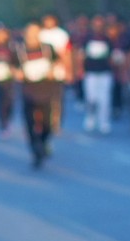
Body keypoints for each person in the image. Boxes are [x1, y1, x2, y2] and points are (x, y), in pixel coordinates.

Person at [18, 22, 68, 169]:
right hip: (29, 91)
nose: (32, 36)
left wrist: (53, 70)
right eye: (29, 32)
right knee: (30, 123)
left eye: (35, 32)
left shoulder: (47, 48)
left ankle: (44, 141)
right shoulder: (19, 50)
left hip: (46, 91)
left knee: (48, 124)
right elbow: (12, 66)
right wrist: (17, 73)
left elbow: (58, 61)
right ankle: (36, 151)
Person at [80, 18, 116, 134]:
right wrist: (80, 69)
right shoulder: (87, 39)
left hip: (105, 73)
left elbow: (112, 56)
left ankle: (104, 121)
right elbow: (82, 55)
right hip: (90, 73)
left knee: (104, 99)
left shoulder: (107, 40)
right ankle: (91, 117)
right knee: (91, 98)